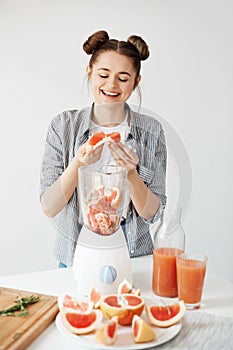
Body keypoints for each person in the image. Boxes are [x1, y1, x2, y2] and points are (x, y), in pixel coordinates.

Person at [40, 30, 167, 268]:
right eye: (104, 74)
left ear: (136, 81)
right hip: (74, 258)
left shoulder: (152, 131)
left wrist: (131, 174)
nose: (112, 85)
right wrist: (78, 163)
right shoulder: (63, 126)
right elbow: (49, 206)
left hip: (134, 259)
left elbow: (153, 213)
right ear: (89, 73)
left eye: (123, 78)